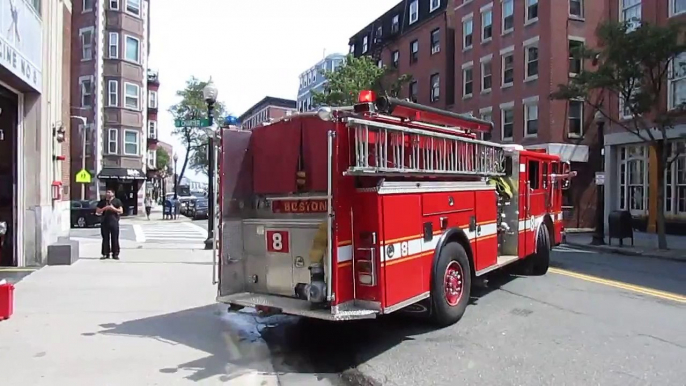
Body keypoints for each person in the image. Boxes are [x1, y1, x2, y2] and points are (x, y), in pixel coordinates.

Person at [96, 189, 123, 260]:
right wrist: (105, 208)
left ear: (113, 193)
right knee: (105, 238)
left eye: (109, 192)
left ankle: (115, 254)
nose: (107, 193)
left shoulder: (117, 201)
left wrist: (112, 208)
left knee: (115, 238)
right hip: (104, 222)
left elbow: (121, 211)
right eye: (107, 192)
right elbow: (98, 211)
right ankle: (105, 253)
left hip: (114, 222)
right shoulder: (102, 201)